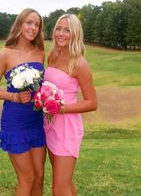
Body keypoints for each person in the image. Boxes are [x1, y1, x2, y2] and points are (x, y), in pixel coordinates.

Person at [0, 8, 46, 196]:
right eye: (29, 22)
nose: (33, 27)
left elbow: (41, 86)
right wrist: (14, 96)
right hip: (15, 122)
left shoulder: (40, 53)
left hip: (36, 121)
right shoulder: (4, 54)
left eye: (37, 24)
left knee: (39, 176)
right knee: (27, 178)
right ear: (20, 24)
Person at [43, 13, 97, 196]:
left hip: (67, 129)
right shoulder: (52, 55)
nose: (61, 33)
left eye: (67, 30)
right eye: (58, 28)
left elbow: (92, 103)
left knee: (59, 189)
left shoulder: (80, 64)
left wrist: (60, 108)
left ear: (75, 34)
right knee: (64, 184)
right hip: (49, 125)